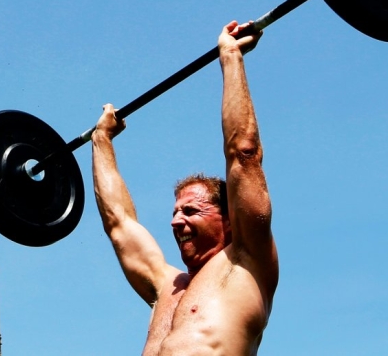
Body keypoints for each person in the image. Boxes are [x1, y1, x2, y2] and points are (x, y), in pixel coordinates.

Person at [91, 20, 279, 355]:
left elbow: (244, 154)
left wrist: (231, 57)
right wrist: (101, 140)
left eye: (191, 210)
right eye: (176, 212)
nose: (176, 222)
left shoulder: (248, 263)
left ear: (231, 219)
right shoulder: (167, 287)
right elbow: (119, 223)